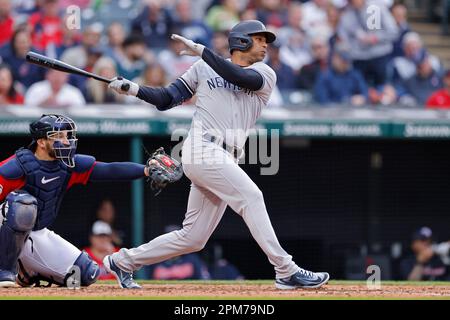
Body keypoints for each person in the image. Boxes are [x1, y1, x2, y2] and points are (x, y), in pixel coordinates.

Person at [107, 20, 330, 290]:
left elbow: (238, 76)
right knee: (252, 196)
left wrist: (203, 51)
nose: (265, 45)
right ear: (241, 41)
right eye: (259, 39)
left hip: (225, 156)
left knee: (193, 238)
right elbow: (167, 98)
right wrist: (133, 89)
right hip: (202, 148)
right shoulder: (202, 67)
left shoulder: (265, 73)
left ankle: (124, 261)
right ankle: (286, 269)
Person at [0, 114, 166, 288]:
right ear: (41, 142)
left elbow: (109, 170)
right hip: (4, 229)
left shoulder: (68, 166)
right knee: (22, 206)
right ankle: (4, 271)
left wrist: (146, 170)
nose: (66, 142)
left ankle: (28, 271)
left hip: (35, 234)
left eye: (67, 136)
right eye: (58, 137)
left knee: (85, 274)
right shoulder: (16, 167)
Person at [145, 225, 210, 280]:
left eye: (175, 240)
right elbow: (147, 280)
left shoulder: (191, 258)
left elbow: (204, 279)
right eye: (169, 240)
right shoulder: (156, 259)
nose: (173, 243)